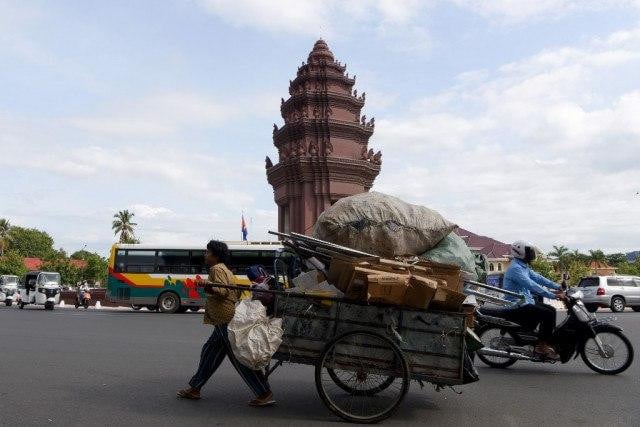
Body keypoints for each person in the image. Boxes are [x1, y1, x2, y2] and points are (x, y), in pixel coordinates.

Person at [177, 240, 275, 406]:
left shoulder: (216, 269)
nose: (205, 255)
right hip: (222, 319)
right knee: (209, 352)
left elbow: (222, 292)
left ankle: (264, 392)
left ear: (215, 256)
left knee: (239, 358)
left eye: (207, 252)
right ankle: (195, 388)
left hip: (224, 319)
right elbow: (232, 294)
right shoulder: (226, 270)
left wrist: (206, 285)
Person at [502, 240, 565, 359]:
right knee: (547, 314)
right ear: (520, 253)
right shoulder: (515, 269)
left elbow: (538, 278)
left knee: (551, 310)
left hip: (525, 301)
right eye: (529, 252)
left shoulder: (523, 266)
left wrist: (558, 286)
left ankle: (544, 340)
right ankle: (541, 347)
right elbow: (531, 285)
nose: (532, 254)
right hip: (517, 304)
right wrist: (554, 295)